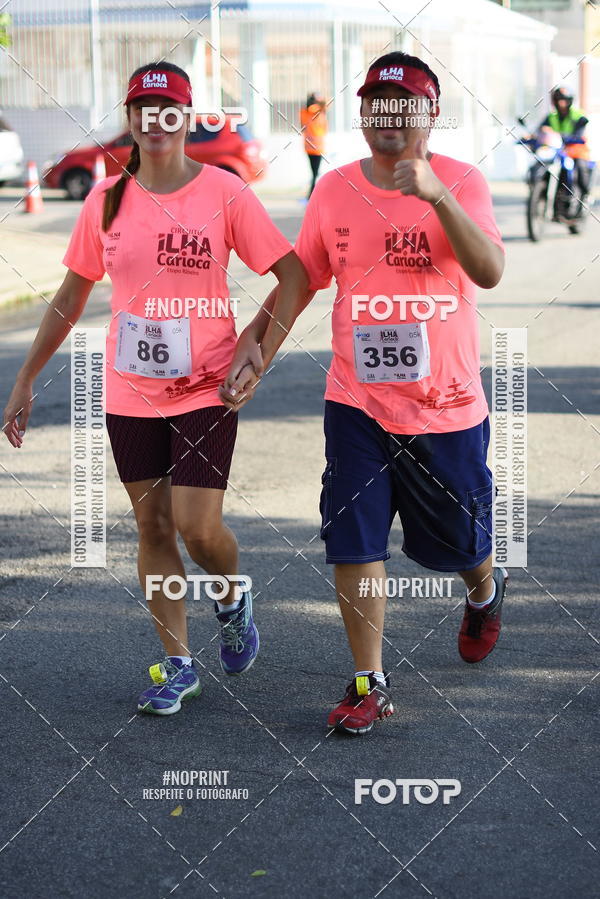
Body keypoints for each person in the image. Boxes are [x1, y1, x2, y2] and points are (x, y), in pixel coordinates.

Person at [3, 61, 307, 715]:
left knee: (199, 527)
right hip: (130, 390)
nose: (155, 119)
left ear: (187, 116)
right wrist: (26, 377)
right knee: (153, 524)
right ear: (131, 117)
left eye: (168, 108)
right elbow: (69, 295)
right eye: (143, 108)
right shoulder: (106, 199)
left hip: (207, 385)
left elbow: (295, 274)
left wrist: (259, 349)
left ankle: (232, 595)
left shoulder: (224, 191)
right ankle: (177, 663)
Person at [220, 51, 507, 736]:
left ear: (430, 113)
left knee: (462, 544)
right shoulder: (336, 190)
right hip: (357, 401)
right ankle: (368, 679)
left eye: (404, 101)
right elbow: (302, 280)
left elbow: (490, 270)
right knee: (354, 537)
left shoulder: (464, 183)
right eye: (377, 101)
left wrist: (434, 192)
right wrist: (256, 346)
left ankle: (485, 591)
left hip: (444, 407)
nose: (389, 113)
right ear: (362, 113)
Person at [538, 86, 592, 217]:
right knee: (541, 163)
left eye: (564, 100)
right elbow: (540, 130)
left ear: (570, 101)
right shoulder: (551, 117)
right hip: (558, 151)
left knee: (579, 167)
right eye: (558, 100)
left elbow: (579, 135)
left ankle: (584, 197)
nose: (561, 103)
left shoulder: (578, 116)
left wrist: (558, 134)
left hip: (576, 150)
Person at [300, 93, 328, 199]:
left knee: (314, 172)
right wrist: (320, 98)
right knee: (315, 173)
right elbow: (325, 105)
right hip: (317, 148)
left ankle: (311, 194)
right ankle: (312, 195)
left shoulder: (303, 113)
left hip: (308, 147)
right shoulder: (318, 111)